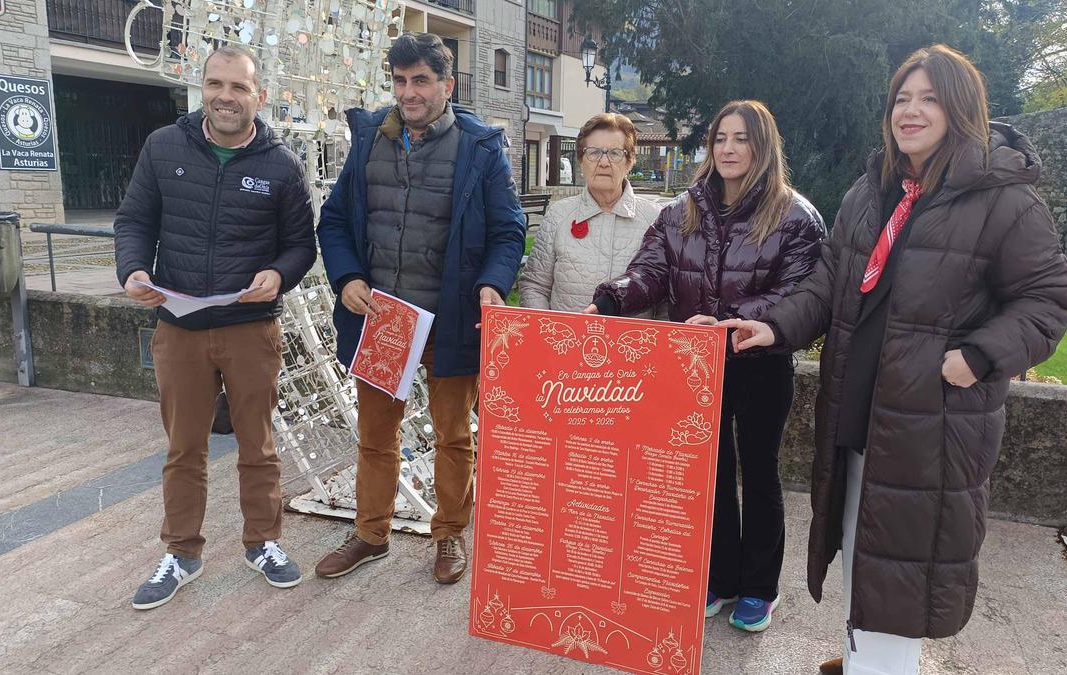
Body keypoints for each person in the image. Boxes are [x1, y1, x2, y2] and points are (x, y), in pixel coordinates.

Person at [719, 45, 1067, 674]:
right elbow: (828, 284)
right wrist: (773, 328)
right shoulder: (873, 191)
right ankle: (867, 660)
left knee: (903, 568)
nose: (911, 111)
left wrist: (977, 356)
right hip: (862, 412)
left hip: (930, 421)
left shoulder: (1002, 198)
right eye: (902, 99)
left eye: (929, 98)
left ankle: (881, 666)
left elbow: (1047, 302)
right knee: (865, 550)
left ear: (960, 109)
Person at [586, 100, 824, 632]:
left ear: (763, 147)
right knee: (708, 474)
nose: (729, 148)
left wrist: (734, 321)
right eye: (721, 138)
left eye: (742, 139)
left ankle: (760, 588)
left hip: (760, 361)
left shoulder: (793, 215)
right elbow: (649, 272)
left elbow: (800, 293)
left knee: (759, 472)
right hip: (692, 364)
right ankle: (719, 576)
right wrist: (608, 300)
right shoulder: (682, 211)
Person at [314, 32, 526, 585]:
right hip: (384, 320)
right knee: (376, 436)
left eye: (421, 81)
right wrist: (347, 277)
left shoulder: (481, 148)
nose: (409, 93)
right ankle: (370, 534)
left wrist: (493, 285)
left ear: (447, 85)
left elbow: (508, 232)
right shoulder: (368, 139)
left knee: (454, 436)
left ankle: (450, 533)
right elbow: (334, 222)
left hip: (452, 321)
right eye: (401, 81)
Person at [115, 46, 317, 609]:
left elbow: (302, 242)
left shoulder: (281, 164)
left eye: (238, 87)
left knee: (258, 444)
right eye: (215, 85)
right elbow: (135, 220)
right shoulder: (163, 148)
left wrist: (278, 274)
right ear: (202, 88)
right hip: (178, 325)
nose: (225, 97)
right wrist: (132, 270)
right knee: (184, 447)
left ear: (259, 96)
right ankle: (182, 551)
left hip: (251, 327)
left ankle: (263, 543)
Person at [518, 113, 661, 315]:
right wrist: (548, 332)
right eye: (594, 153)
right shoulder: (558, 215)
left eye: (614, 153)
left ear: (630, 161)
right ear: (581, 160)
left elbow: (665, 297)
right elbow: (534, 285)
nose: (603, 162)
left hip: (632, 345)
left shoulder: (655, 219)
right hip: (564, 343)